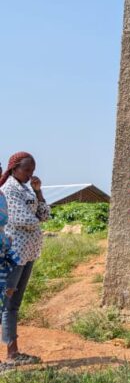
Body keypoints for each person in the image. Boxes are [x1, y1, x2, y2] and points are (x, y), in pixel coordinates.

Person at [0, 153, 51, 367]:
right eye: (27, 170)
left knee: (14, 304)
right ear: (14, 168)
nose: (30, 175)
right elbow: (21, 219)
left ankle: (13, 352)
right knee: (7, 304)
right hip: (14, 254)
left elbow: (45, 214)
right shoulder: (9, 189)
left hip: (28, 252)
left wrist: (39, 192)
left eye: (32, 170)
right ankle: (11, 354)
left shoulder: (28, 189)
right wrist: (38, 220)